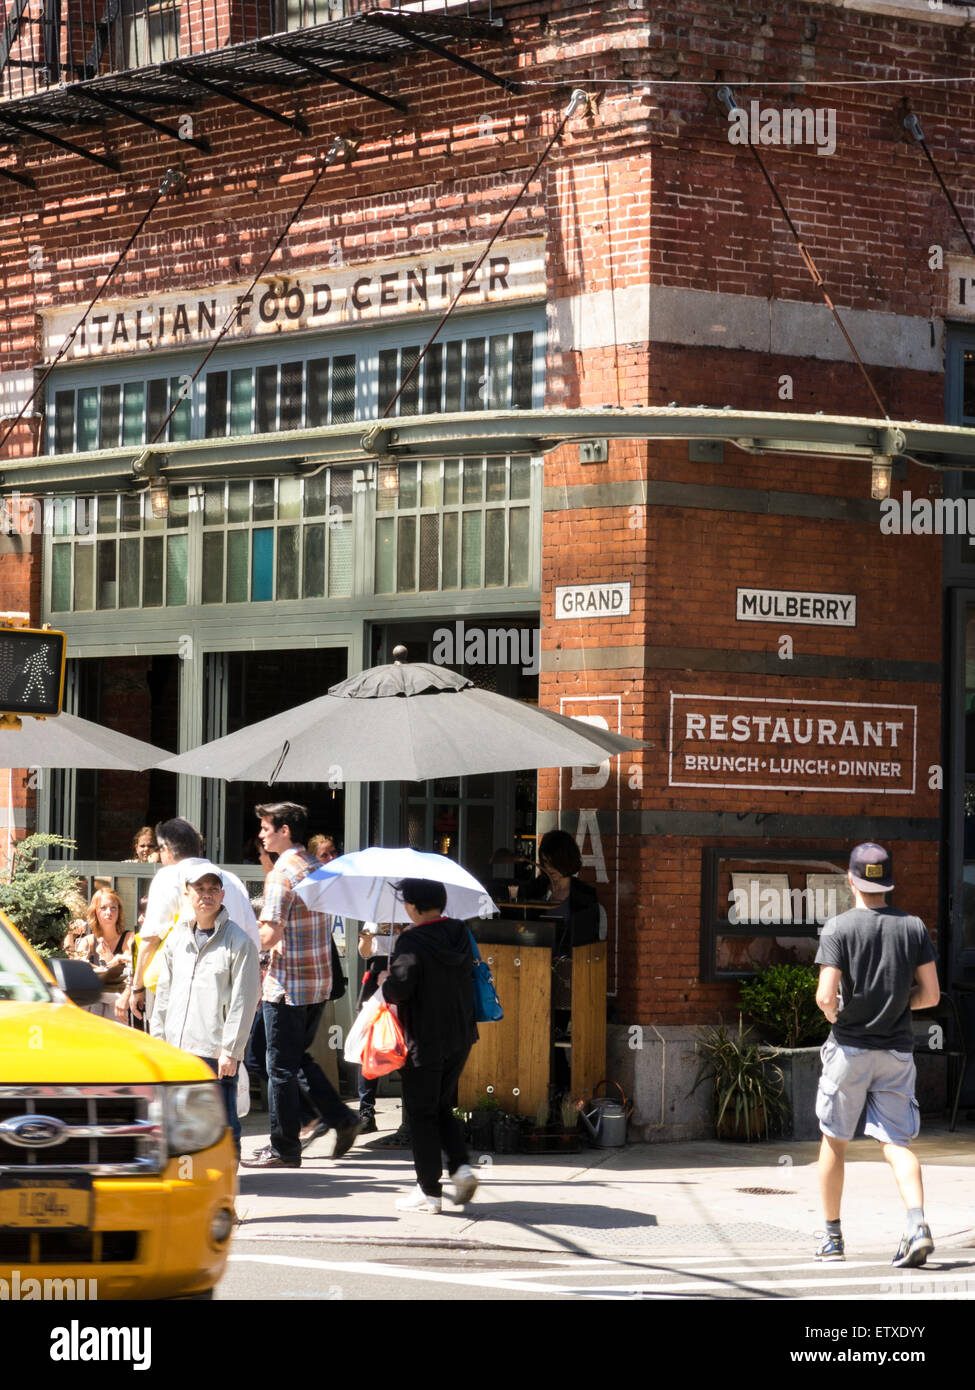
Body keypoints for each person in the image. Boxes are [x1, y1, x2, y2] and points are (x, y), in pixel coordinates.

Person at [814, 842, 940, 1267]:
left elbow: (825, 994)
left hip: (849, 1049)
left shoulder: (838, 928)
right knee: (896, 1142)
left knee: (835, 1139)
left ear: (850, 879)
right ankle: (917, 1224)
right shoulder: (914, 927)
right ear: (888, 883)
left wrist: (836, 1014)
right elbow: (932, 995)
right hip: (897, 1053)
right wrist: (899, 1005)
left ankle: (832, 1238)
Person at [240, 801, 360, 1169]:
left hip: (287, 985)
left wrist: (237, 941)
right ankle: (333, 1117)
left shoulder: (281, 874)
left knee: (276, 1066)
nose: (261, 834)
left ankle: (285, 1147)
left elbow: (270, 932)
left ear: (284, 830)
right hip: (317, 983)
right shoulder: (315, 867)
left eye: (265, 828)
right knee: (276, 1057)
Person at [378, 878, 478, 1214]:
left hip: (424, 1038)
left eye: (407, 901)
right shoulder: (459, 932)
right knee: (439, 1106)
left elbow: (400, 989)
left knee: (421, 1113)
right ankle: (460, 1168)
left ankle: (429, 1192)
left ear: (415, 906)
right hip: (460, 1034)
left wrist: (384, 982)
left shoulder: (412, 939)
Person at [149, 863, 260, 1160]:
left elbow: (244, 999)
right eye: (200, 889)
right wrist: (157, 1041)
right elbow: (163, 996)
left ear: (222, 895)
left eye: (213, 889)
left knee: (222, 1125)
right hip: (177, 1050)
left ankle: (229, 1189)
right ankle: (192, 1185)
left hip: (214, 1051)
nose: (206, 895)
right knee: (181, 1124)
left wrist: (231, 1050)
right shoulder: (176, 938)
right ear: (188, 894)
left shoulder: (239, 942)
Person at [116, 818, 260, 1027]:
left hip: (184, 991)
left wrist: (136, 988)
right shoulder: (233, 880)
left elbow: (150, 939)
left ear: (165, 849)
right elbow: (253, 939)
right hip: (232, 985)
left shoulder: (169, 876)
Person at [520, 829, 601, 1093]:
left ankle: (561, 1089)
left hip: (568, 975)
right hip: (534, 971)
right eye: (544, 862)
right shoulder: (533, 889)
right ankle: (544, 1089)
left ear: (566, 861)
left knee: (556, 1035)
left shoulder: (585, 896)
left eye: (552, 862)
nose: (548, 868)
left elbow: (588, 938)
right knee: (535, 1033)